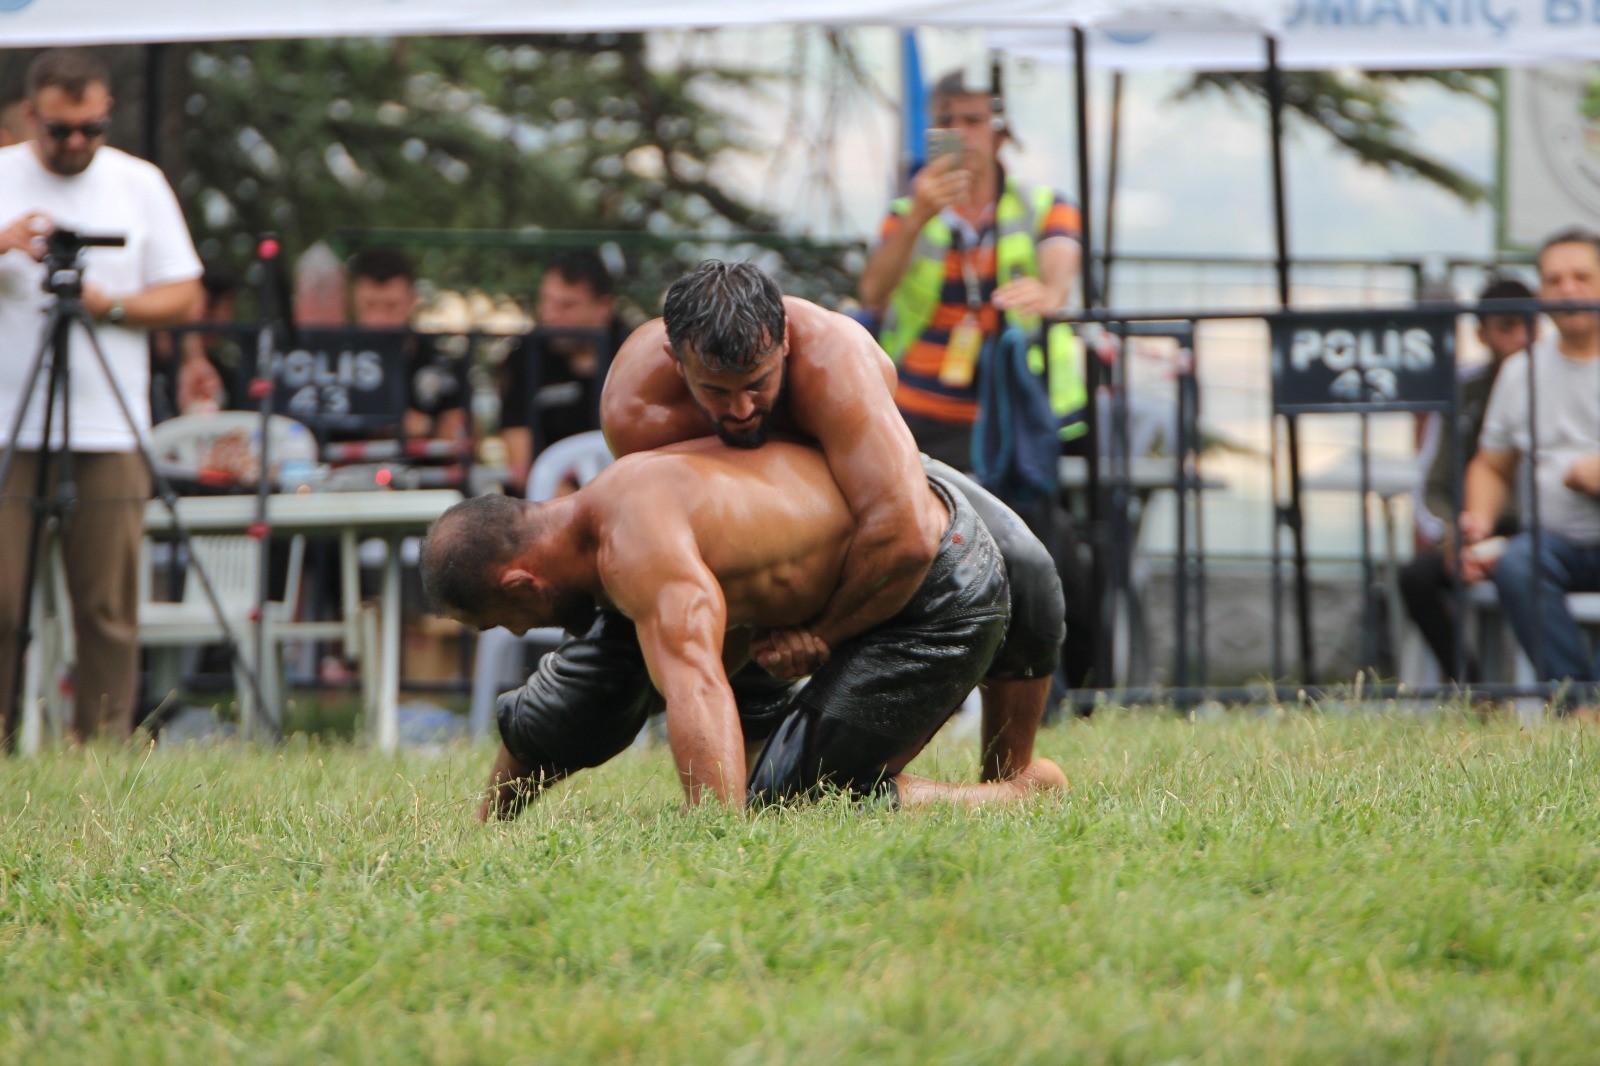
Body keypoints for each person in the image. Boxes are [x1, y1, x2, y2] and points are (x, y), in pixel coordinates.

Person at [420, 438, 1067, 812]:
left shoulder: (634, 544)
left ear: (521, 583)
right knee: (763, 763)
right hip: (907, 568)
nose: (513, 634)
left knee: (797, 805)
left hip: (934, 584)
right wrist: (487, 822)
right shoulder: (613, 505)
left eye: (503, 621)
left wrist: (718, 839)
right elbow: (577, 705)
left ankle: (1019, 798)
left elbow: (698, 688)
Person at [602, 261, 1066, 782]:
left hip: (850, 478)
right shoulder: (637, 411)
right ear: (677, 360)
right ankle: (752, 763)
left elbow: (907, 533)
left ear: (784, 343)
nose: (739, 409)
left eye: (757, 385)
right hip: (747, 511)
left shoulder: (834, 360)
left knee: (1028, 567)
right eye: (715, 392)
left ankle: (1011, 783)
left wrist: (822, 634)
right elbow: (691, 550)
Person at [0, 49, 204, 741]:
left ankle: (103, 757)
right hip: (7, 426)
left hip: (109, 428)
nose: (78, 143)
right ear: (31, 116)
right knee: (1, 603)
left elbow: (183, 291)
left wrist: (109, 304)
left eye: (94, 127)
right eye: (62, 130)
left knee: (109, 607)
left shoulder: (137, 183)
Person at [858, 68, 1086, 472]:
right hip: (918, 410)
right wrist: (917, 218)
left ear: (1000, 133)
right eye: (946, 122)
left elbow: (1062, 253)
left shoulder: (1044, 204)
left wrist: (1051, 292)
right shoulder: (906, 213)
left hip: (1016, 407)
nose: (960, 133)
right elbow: (873, 292)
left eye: (974, 121)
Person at [1460, 229, 1600, 703]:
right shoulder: (1522, 370)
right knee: (1516, 564)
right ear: (1540, 293)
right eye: (1554, 279)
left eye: (1582, 277)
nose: (1568, 289)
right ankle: (1578, 705)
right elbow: (1492, 465)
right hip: (1551, 544)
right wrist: (1477, 522)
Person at [1398, 276, 1532, 681]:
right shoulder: (1463, 393)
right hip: (1479, 530)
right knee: (1417, 578)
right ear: (1482, 334)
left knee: (1528, 566)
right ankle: (1473, 690)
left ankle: (1562, 698)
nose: (1520, 339)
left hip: (1543, 532)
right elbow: (1432, 484)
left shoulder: (1560, 381)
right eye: (1506, 327)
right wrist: (1453, 535)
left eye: (1528, 325)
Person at [500, 249, 633, 496]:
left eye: (567, 305)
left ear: (603, 307)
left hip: (629, 497)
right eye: (546, 301)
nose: (551, 314)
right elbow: (519, 461)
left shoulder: (637, 352)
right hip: (551, 506)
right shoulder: (524, 356)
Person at [347, 247, 467, 442]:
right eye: (369, 305)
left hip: (422, 470)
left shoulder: (439, 362)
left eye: (392, 306)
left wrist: (429, 427)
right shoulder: (333, 360)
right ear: (353, 299)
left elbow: (461, 438)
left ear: (412, 301)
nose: (380, 319)